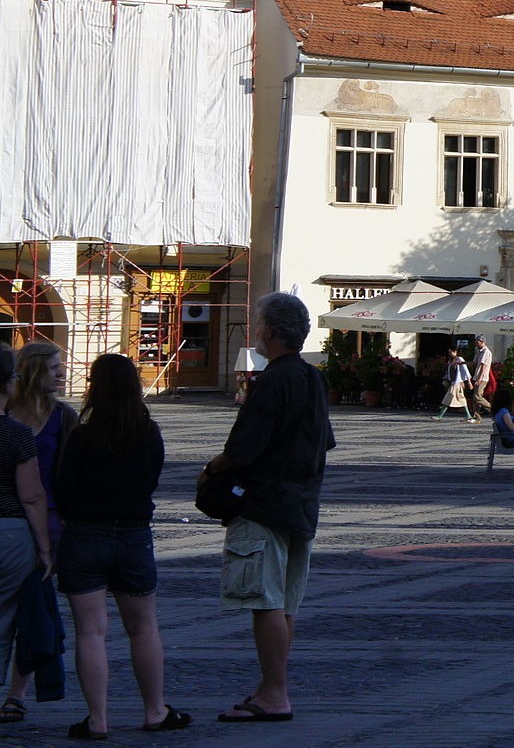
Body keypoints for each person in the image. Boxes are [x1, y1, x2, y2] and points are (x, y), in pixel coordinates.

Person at [201, 292, 335, 723]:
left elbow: (242, 448)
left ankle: (275, 694)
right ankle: (269, 687)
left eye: (258, 324)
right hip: (302, 504)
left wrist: (209, 470)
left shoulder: (272, 380)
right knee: (285, 604)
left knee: (265, 602)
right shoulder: (314, 378)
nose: (256, 331)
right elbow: (324, 441)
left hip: (264, 504)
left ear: (272, 332)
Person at [53, 353, 189, 736]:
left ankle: (97, 720)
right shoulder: (149, 433)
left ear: (97, 387)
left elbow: (63, 491)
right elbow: (150, 481)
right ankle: (155, 711)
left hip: (84, 535)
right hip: (132, 534)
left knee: (91, 631)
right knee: (143, 627)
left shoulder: (82, 436)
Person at [2, 342, 76, 719]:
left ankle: (16, 694)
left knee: (30, 608)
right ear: (32, 372)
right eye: (52, 367)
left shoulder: (63, 417)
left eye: (60, 366)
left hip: (46, 521)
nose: (61, 373)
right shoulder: (7, 413)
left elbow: (72, 473)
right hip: (13, 521)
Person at [0, 347, 53, 728]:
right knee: (5, 620)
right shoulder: (17, 435)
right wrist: (45, 547)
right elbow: (32, 495)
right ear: (10, 383)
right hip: (10, 532)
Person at [435, 350, 474, 422]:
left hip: (457, 382)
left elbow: (465, 370)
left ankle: (440, 415)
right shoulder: (451, 360)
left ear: (455, 351)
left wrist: (469, 382)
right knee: (460, 399)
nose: (450, 354)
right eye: (449, 352)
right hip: (454, 382)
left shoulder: (459, 359)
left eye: (451, 352)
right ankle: (468, 416)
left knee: (448, 398)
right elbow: (449, 372)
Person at [468, 338, 494, 415]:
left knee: (477, 397)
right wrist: (463, 363)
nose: (476, 344)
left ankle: (493, 408)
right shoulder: (480, 352)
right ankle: (476, 417)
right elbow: (474, 363)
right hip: (477, 377)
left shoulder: (486, 352)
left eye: (477, 342)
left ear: (482, 342)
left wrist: (479, 379)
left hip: (482, 378)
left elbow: (483, 366)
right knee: (475, 398)